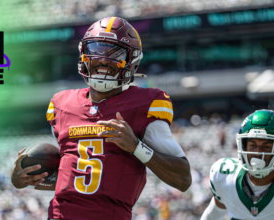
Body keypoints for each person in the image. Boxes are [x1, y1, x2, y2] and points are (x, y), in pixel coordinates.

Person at [11, 17, 192, 220]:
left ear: (132, 60)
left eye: (115, 53)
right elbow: (79, 178)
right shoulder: (62, 104)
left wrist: (136, 146)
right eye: (96, 50)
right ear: (83, 54)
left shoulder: (145, 104)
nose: (104, 60)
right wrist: (24, 179)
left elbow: (183, 179)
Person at [201, 109, 274, 220]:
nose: (258, 153)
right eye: (252, 145)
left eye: (266, 147)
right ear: (243, 146)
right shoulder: (225, 176)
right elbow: (214, 214)